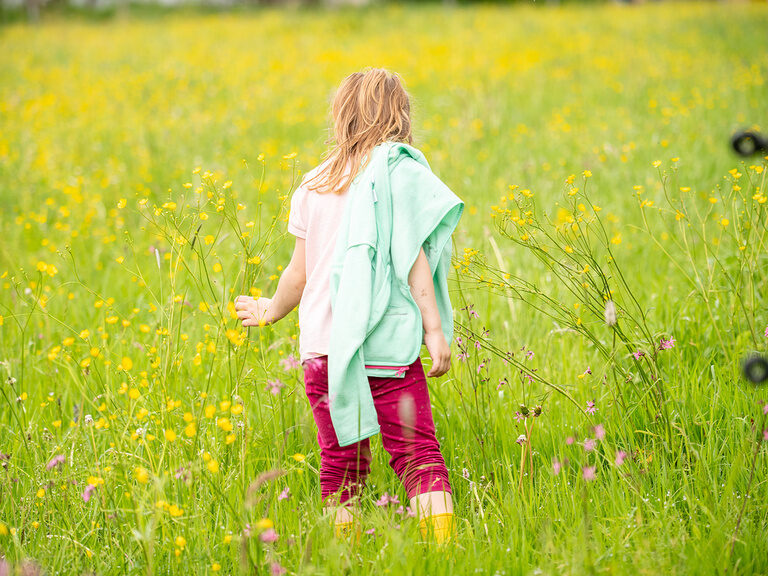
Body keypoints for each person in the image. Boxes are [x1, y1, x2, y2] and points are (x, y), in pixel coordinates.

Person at [234, 68, 463, 546]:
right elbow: (413, 257)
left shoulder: (314, 183)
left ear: (340, 116)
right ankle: (443, 552)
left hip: (324, 350)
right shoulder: (399, 175)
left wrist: (271, 309)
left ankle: (345, 556)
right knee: (416, 453)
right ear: (400, 115)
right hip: (386, 349)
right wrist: (434, 328)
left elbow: (297, 272)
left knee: (342, 463)